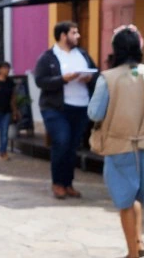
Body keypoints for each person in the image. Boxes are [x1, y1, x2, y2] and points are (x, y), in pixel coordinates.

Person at [87, 26, 144, 258]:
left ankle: (132, 257)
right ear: (139, 47)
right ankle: (139, 240)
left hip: (118, 143)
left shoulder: (107, 78)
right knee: (135, 194)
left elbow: (94, 112)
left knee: (124, 200)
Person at [34, 21, 98, 199]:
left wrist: (89, 78)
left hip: (80, 107)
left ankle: (68, 183)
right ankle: (58, 183)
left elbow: (97, 74)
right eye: (74, 33)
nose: (78, 36)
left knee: (72, 146)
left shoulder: (82, 54)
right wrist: (63, 79)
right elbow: (40, 81)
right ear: (63, 35)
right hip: (56, 108)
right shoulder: (48, 57)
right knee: (61, 141)